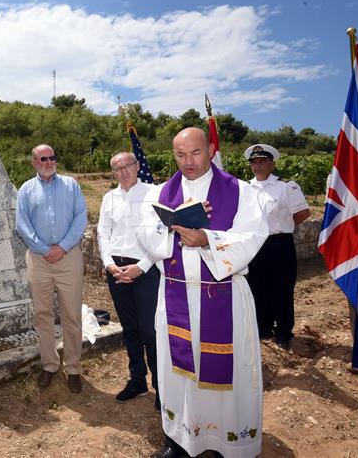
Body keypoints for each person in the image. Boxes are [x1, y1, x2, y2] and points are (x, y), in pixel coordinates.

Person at [138, 128, 268, 458]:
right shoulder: (161, 193)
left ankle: (230, 444)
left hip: (222, 297)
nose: (188, 162)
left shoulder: (239, 191)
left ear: (211, 148)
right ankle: (181, 441)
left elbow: (253, 234)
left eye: (195, 153)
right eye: (180, 155)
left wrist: (207, 239)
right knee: (180, 375)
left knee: (229, 375)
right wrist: (169, 229)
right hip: (176, 297)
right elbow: (147, 237)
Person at [16, 144, 88, 393]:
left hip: (68, 258)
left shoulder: (71, 186)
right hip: (39, 260)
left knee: (72, 314)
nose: (49, 161)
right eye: (43, 158)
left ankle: (74, 368)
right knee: (43, 314)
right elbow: (22, 225)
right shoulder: (26, 189)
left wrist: (63, 247)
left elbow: (81, 218)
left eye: (52, 157)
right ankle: (49, 364)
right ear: (34, 162)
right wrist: (44, 249)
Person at [97, 152, 161, 405]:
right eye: (117, 168)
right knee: (130, 329)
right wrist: (109, 265)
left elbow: (161, 234)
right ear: (113, 172)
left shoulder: (155, 193)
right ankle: (137, 380)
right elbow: (103, 233)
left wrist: (142, 266)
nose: (123, 171)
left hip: (145, 270)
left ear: (137, 166)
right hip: (116, 270)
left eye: (127, 166)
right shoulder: (108, 198)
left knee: (151, 330)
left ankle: (161, 387)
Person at [244, 144, 310, 349]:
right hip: (256, 244)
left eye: (263, 161)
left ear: (272, 164)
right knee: (257, 287)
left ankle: (283, 332)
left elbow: (302, 213)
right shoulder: (245, 188)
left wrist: (283, 226)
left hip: (279, 244)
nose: (258, 165)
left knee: (281, 288)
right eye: (254, 162)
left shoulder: (286, 187)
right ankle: (262, 328)